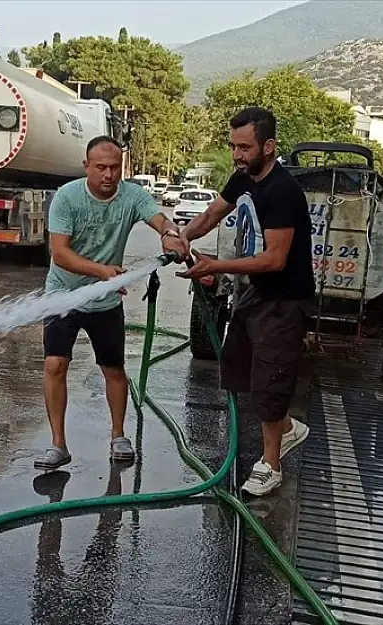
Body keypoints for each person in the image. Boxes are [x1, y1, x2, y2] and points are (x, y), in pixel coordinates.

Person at [176, 107, 315, 496]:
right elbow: (212, 214)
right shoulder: (243, 179)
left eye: (245, 147)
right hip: (256, 293)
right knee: (242, 372)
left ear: (269, 146)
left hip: (284, 300)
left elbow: (275, 259)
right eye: (233, 146)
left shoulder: (283, 191)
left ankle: (271, 464)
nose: (237, 155)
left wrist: (215, 265)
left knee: (270, 382)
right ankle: (287, 429)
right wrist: (182, 236)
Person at [35, 135, 188, 471]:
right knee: (54, 365)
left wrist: (169, 233)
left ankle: (119, 436)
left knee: (113, 369)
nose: (108, 174)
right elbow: (59, 253)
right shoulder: (67, 198)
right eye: (101, 167)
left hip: (105, 303)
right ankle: (58, 445)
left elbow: (157, 217)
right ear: (86, 166)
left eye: (115, 167)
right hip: (64, 295)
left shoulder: (132, 196)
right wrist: (101, 272)